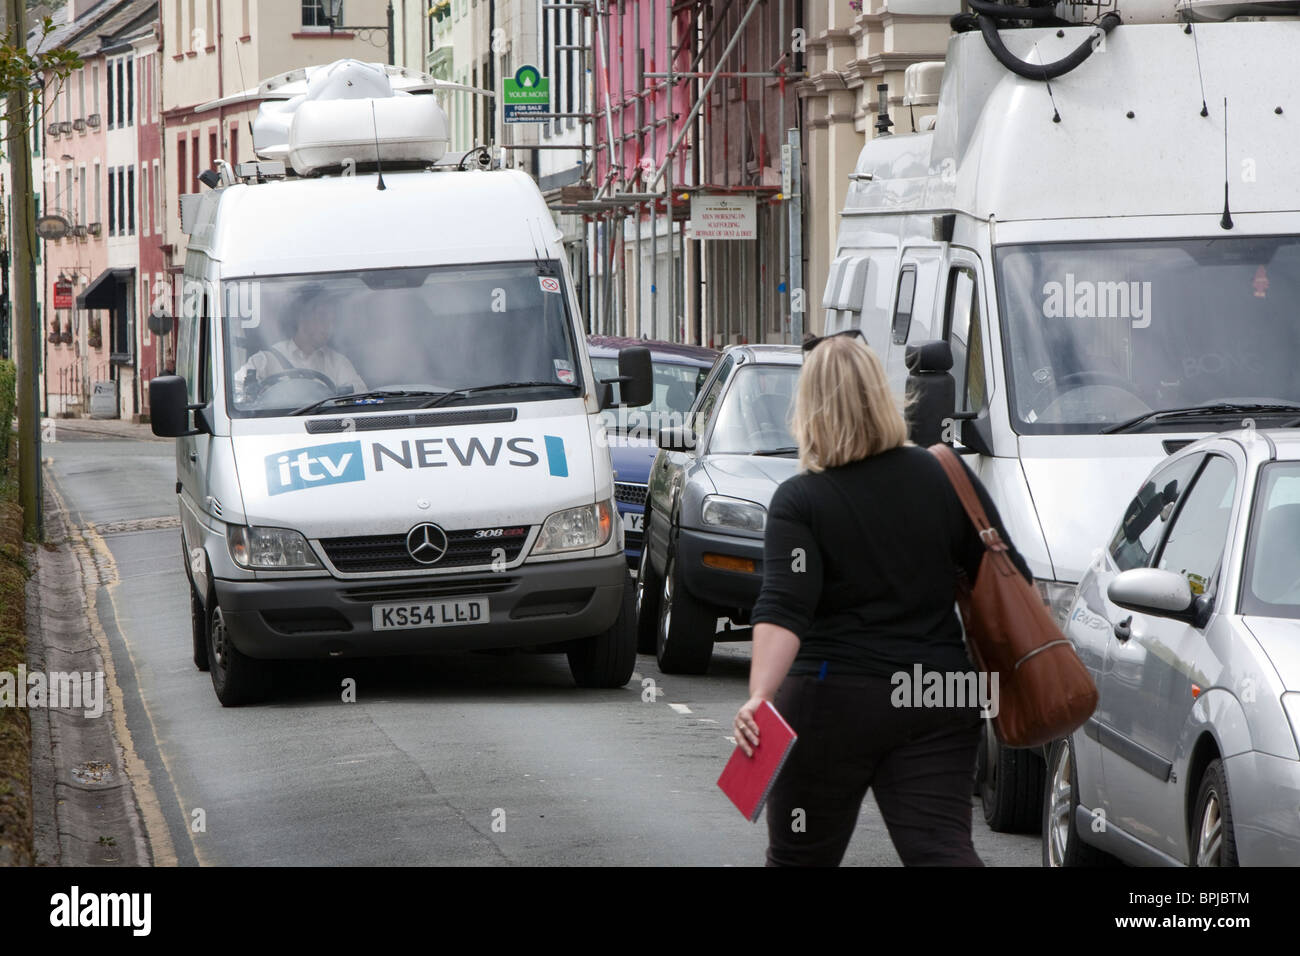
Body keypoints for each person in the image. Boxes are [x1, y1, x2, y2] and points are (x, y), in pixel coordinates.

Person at [732, 332, 1031, 867]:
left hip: (831, 697)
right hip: (937, 693)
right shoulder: (945, 474)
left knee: (801, 857)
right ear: (883, 397)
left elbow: (785, 608)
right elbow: (1012, 574)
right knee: (943, 851)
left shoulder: (801, 499)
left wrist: (760, 695)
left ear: (809, 408)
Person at [236, 294, 367, 401]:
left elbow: (360, 395)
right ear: (302, 318)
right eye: (323, 318)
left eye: (332, 321)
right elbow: (237, 392)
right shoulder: (265, 360)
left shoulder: (338, 362)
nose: (329, 327)